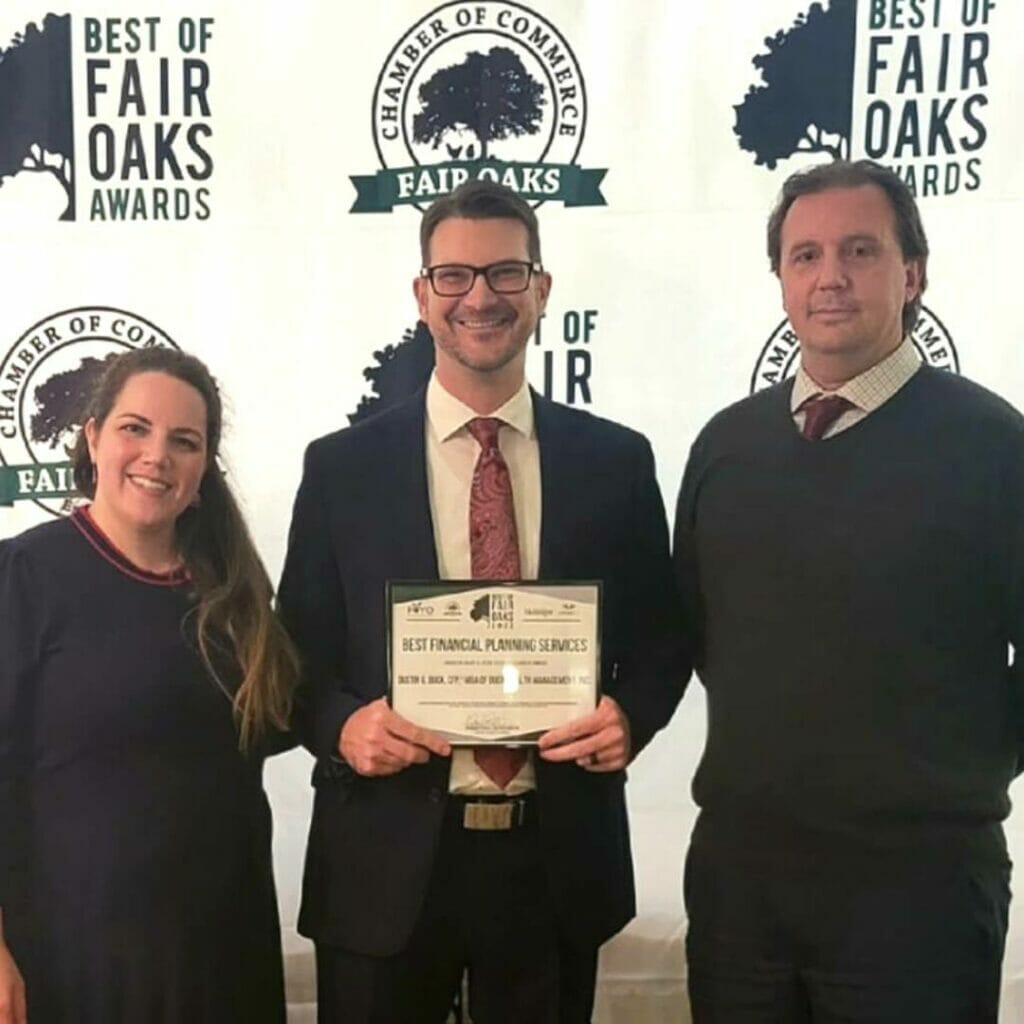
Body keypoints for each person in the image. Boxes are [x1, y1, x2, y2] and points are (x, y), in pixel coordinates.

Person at [278, 178, 684, 1023]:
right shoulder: (340, 470)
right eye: (455, 277)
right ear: (423, 297)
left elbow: (661, 637)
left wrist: (631, 717)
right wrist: (345, 727)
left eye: (506, 273)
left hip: (554, 856)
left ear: (541, 290)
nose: (481, 297)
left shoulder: (617, 462)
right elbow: (296, 656)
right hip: (382, 858)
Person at [674, 159, 1024, 1023]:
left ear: (913, 275)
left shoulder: (993, 445)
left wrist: (956, 770)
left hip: (917, 899)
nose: (830, 276)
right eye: (806, 255)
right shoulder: (727, 445)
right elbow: (705, 636)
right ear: (782, 280)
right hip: (741, 895)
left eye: (860, 251)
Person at [0, 348, 299, 1024]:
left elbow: (291, 717)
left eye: (183, 441)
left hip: (223, 952)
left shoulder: (235, 596)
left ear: (204, 468)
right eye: (135, 428)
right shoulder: (23, 577)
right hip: (75, 958)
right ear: (94, 436)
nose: (157, 455)